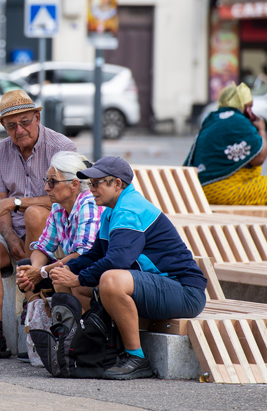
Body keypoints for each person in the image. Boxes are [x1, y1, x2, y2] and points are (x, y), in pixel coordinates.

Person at [50, 156, 208, 380]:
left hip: (184, 292)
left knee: (110, 280)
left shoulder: (129, 209)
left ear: (117, 183)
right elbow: (94, 256)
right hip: (158, 288)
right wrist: (54, 271)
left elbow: (117, 261)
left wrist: (77, 278)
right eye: (90, 184)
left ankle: (137, 358)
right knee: (71, 281)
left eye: (97, 183)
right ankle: (93, 350)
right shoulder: (111, 211)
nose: (91, 189)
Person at [0, 90, 76, 360]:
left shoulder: (62, 147)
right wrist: (10, 237)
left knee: (35, 214)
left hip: (55, 234)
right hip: (15, 232)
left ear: (38, 117)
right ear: (3, 126)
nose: (19, 129)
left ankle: (32, 301)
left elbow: (66, 197)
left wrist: (15, 203)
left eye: (25, 121)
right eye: (11, 125)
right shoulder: (2, 150)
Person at [184, 83, 267, 206]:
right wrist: (261, 129)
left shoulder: (211, 120)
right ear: (243, 106)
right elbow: (258, 159)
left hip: (201, 189)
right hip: (225, 190)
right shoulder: (241, 123)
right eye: (250, 106)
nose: (251, 111)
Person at [15, 151, 101, 300]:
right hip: (71, 266)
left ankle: (75, 320)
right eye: (47, 181)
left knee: (57, 275)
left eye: (52, 182)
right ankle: (38, 315)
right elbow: (43, 247)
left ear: (74, 184)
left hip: (92, 269)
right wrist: (34, 270)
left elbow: (84, 255)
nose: (46, 188)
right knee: (24, 270)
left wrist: (41, 271)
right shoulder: (58, 207)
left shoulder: (88, 203)